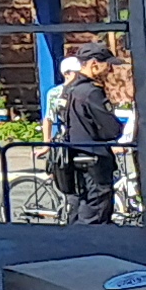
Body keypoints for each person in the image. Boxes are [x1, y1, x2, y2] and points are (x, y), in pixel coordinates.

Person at [49, 48, 123, 225]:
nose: (110, 70)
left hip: (74, 156)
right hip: (94, 158)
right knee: (96, 209)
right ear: (94, 64)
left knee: (81, 203)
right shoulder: (91, 92)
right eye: (107, 65)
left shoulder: (69, 89)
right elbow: (112, 129)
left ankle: (78, 238)